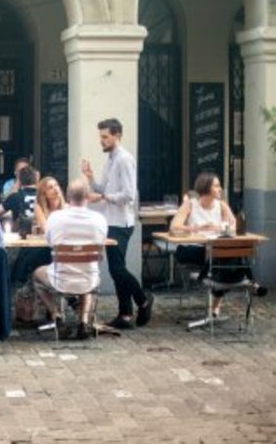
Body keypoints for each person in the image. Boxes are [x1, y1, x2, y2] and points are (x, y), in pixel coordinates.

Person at [81, 118, 153, 330]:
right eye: (100, 137)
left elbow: (129, 195)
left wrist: (103, 198)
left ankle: (142, 300)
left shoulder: (124, 159)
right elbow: (103, 188)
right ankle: (125, 314)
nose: (101, 141)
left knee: (117, 269)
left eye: (105, 137)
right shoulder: (111, 159)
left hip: (121, 222)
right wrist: (91, 178)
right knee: (116, 268)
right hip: (110, 220)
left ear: (117, 136)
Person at [169, 172, 264, 317]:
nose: (220, 189)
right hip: (191, 248)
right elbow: (174, 227)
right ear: (206, 187)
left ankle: (216, 303)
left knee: (231, 254)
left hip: (215, 249)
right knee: (224, 257)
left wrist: (221, 228)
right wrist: (198, 228)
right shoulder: (190, 205)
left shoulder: (221, 205)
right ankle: (251, 284)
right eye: (216, 185)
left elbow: (234, 227)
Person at [32, 179, 108, 340]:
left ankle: (57, 316)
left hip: (61, 279)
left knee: (36, 275)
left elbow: (50, 241)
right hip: (89, 278)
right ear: (87, 196)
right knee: (86, 274)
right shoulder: (99, 219)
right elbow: (101, 243)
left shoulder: (55, 218)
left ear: (67, 195)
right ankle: (84, 322)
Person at [0, 165, 38, 234]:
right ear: (37, 179)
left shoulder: (15, 197)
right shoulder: (43, 195)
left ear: (19, 180)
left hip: (21, 236)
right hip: (41, 235)